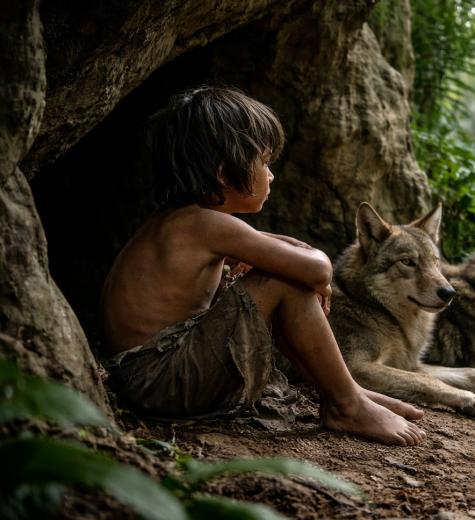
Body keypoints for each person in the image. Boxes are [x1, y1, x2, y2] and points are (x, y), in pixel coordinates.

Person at [100, 86, 425, 446]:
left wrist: (283, 252)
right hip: (161, 380)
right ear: (225, 173)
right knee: (281, 281)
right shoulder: (210, 226)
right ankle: (346, 402)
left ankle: (343, 391)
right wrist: (308, 267)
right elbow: (318, 270)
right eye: (265, 162)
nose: (271, 175)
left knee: (278, 273)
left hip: (148, 376)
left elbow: (271, 248)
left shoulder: (186, 224)